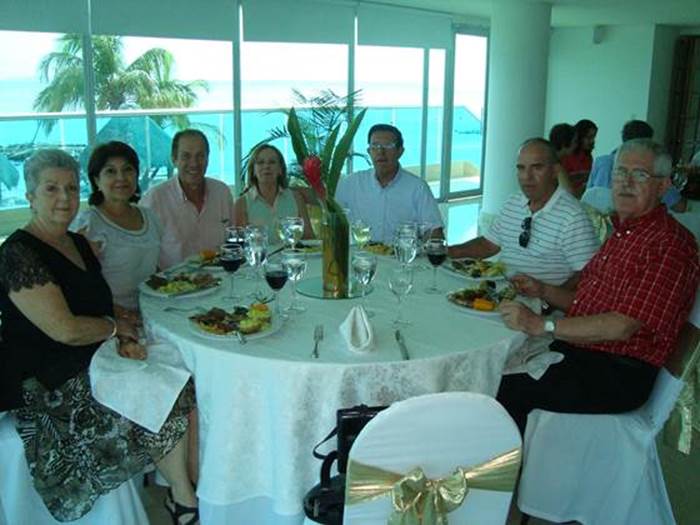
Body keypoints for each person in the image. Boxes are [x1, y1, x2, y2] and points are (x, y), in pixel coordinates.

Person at [0, 149, 198, 523]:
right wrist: (116, 329)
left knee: (177, 373)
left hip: (90, 359)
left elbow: (98, 304)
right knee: (156, 388)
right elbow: (65, 329)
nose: (64, 198)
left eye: (71, 188)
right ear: (30, 197)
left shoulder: (77, 243)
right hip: (44, 382)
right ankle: (184, 499)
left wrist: (126, 329)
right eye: (51, 189)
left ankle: (180, 493)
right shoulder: (18, 254)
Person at [497, 138, 700, 433]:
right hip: (585, 351)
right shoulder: (624, 233)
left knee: (504, 389)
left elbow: (622, 326)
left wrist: (542, 325)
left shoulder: (669, 244)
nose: (626, 183)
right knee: (496, 364)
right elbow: (587, 304)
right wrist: (543, 290)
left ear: (662, 186)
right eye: (620, 172)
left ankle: (512, 463)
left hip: (618, 372)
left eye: (640, 174)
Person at [448, 138, 599, 286]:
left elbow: (586, 274)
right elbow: (488, 244)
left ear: (555, 171)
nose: (527, 177)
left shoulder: (573, 216)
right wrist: (449, 252)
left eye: (537, 168)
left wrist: (547, 297)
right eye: (521, 168)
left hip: (541, 301)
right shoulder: (513, 202)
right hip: (500, 292)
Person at [73, 141, 161, 317]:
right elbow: (79, 286)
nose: (121, 178)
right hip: (111, 318)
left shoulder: (149, 216)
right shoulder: (88, 224)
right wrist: (122, 316)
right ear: (96, 180)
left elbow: (151, 268)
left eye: (128, 169)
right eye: (110, 171)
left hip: (153, 310)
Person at [335, 124, 443, 244]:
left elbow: (434, 230)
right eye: (375, 146)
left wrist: (427, 247)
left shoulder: (417, 187)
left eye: (388, 146)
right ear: (369, 151)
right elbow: (329, 212)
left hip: (401, 253)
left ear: (400, 151)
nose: (380, 152)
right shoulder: (352, 183)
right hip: (362, 253)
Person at [141, 129, 234, 269]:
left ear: (207, 158)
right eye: (186, 156)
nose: (194, 163)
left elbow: (232, 244)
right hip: (173, 281)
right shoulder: (154, 200)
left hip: (221, 277)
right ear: (174, 159)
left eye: (200, 156)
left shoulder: (222, 193)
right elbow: (144, 257)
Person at [586, 120, 686, 212]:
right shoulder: (650, 168)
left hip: (594, 222)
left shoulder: (601, 162)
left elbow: (589, 196)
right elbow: (680, 206)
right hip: (632, 222)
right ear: (647, 143)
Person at [233, 143, 313, 241]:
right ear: (253, 170)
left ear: (280, 169)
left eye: (272, 162)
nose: (266, 166)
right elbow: (241, 245)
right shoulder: (242, 204)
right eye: (260, 162)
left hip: (292, 251)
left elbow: (309, 238)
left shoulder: (296, 198)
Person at [561, 119, 598, 198]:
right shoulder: (566, 155)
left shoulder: (588, 157)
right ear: (580, 137)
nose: (592, 141)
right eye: (589, 137)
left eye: (594, 137)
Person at [548, 123, 577, 195]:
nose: (576, 145)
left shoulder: (553, 159)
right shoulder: (555, 166)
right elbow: (569, 195)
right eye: (575, 141)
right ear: (565, 143)